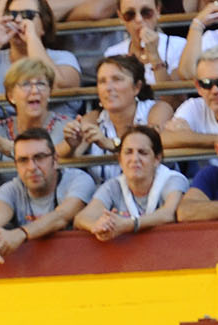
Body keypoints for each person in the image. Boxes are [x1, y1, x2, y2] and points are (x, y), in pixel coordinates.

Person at [0, 127, 94, 261]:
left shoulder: (79, 180)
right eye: (23, 160)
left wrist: (20, 234)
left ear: (55, 160)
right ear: (16, 166)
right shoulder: (10, 189)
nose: (32, 167)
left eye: (39, 157)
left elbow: (61, 217)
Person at [61, 55, 169, 184]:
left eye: (117, 79)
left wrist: (114, 144)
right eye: (102, 81)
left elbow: (155, 142)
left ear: (137, 87)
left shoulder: (157, 109)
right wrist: (71, 145)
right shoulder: (93, 118)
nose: (108, 88)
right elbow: (59, 155)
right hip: (104, 199)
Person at [73, 125, 186, 239]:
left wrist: (129, 224)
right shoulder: (113, 186)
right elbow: (82, 218)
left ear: (157, 159)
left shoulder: (172, 180)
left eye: (142, 152)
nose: (135, 159)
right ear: (120, 160)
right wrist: (99, 226)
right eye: (128, 152)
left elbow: (170, 213)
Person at [0, 0, 81, 98]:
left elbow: (57, 87)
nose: (18, 20)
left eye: (28, 15)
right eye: (12, 15)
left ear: (44, 25)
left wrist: (32, 39)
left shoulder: (63, 57)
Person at [0, 58, 73, 162]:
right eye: (26, 84)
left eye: (41, 84)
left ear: (49, 92)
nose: (35, 90)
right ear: (11, 96)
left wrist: (7, 146)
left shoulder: (66, 127)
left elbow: (48, 160)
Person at [100, 2, 189, 88]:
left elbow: (175, 100)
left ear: (158, 10)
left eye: (146, 12)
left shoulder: (178, 46)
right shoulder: (113, 53)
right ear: (120, 17)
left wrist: (155, 57)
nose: (139, 19)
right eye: (130, 14)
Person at [162, 51, 218, 152]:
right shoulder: (195, 106)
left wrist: (189, 136)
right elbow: (165, 138)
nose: (215, 90)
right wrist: (214, 140)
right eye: (206, 83)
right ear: (199, 87)